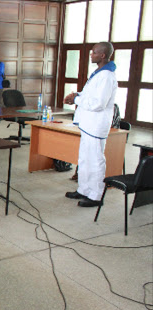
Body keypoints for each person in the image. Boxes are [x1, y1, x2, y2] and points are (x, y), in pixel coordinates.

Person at [64, 42, 117, 208]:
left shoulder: (107, 76)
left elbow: (98, 103)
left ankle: (95, 195)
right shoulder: (99, 73)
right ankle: (84, 189)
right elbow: (90, 95)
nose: (91, 55)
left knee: (95, 160)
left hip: (96, 125)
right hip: (88, 124)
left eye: (94, 53)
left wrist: (76, 100)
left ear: (102, 55)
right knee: (84, 159)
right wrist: (78, 95)